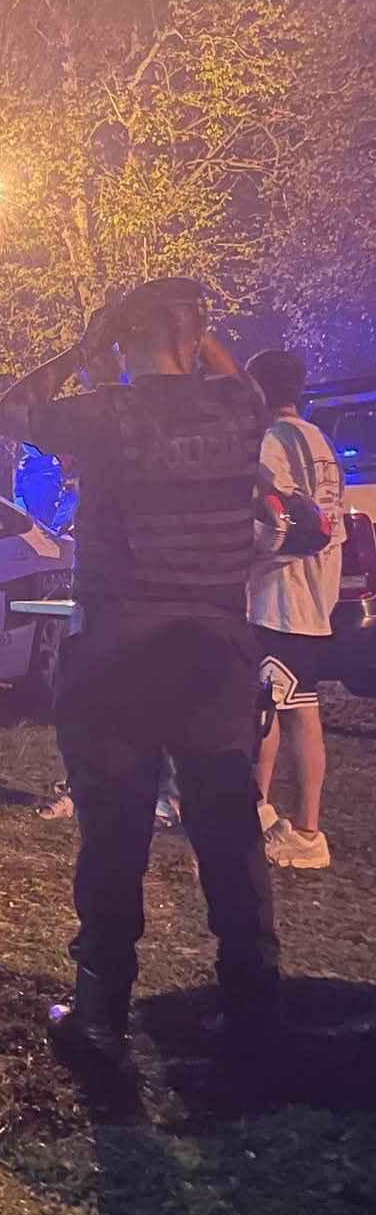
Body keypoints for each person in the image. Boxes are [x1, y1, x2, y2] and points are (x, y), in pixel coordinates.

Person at [0, 279, 280, 1067]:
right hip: (214, 652)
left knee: (115, 832)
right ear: (197, 336)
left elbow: (10, 412)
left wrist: (83, 347)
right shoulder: (237, 409)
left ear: (125, 339)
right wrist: (200, 333)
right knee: (229, 831)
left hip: (119, 651)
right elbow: (244, 384)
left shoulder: (108, 413)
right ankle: (253, 1006)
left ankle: (100, 1012)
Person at [246, 349, 346, 871]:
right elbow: (332, 526)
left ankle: (307, 833)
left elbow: (282, 522)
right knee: (272, 704)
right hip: (311, 594)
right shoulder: (320, 442)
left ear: (257, 389)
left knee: (294, 711)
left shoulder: (272, 442)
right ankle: (257, 810)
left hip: (281, 596)